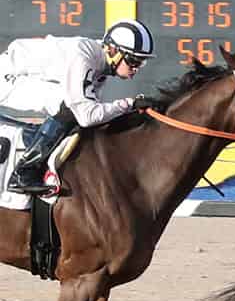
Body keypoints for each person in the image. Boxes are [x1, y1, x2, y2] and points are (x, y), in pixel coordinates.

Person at [0, 19, 154, 195]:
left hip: (22, 73)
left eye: (141, 63)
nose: (136, 68)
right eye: (133, 60)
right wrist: (128, 104)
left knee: (75, 112)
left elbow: (95, 115)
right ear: (113, 50)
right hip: (8, 77)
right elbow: (86, 116)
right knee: (66, 105)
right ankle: (23, 172)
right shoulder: (84, 57)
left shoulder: (101, 64)